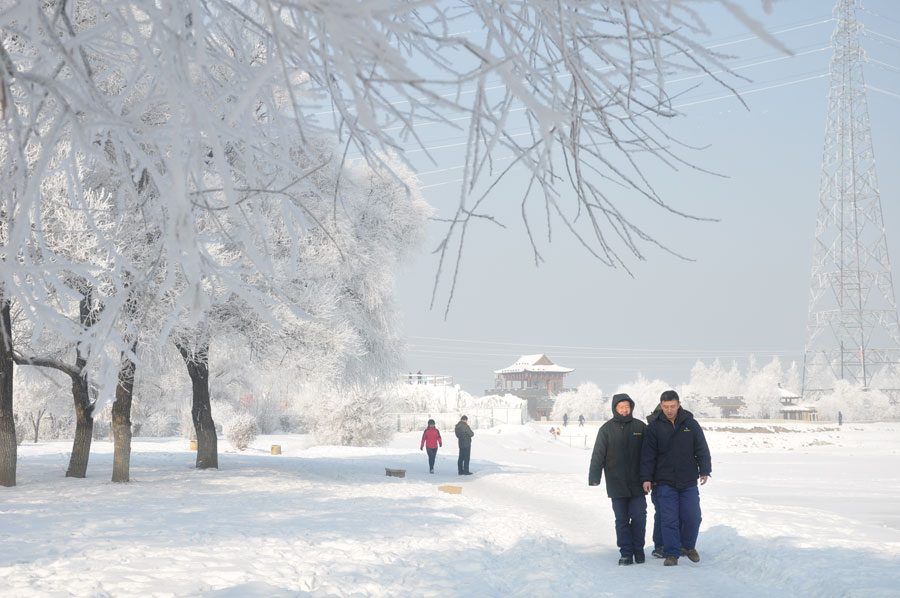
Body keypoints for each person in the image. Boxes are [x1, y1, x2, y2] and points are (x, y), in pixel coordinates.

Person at [640, 390, 711, 567]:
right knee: (669, 518)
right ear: (661, 406)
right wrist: (646, 478)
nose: (669, 410)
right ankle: (671, 553)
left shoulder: (690, 424)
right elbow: (647, 455)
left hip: (688, 479)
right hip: (664, 481)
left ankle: (688, 547)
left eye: (672, 406)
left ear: (679, 404)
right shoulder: (654, 427)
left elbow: (701, 448)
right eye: (665, 407)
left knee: (693, 516)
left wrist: (705, 470)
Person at [589, 393, 648, 566]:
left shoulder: (640, 427)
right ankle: (626, 553)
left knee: (639, 517)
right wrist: (594, 476)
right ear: (615, 408)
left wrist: (651, 477)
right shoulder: (606, 429)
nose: (624, 410)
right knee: (621, 519)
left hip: (638, 483)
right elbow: (598, 454)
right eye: (621, 407)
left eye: (627, 406)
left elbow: (649, 454)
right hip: (616, 482)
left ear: (631, 408)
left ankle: (638, 549)